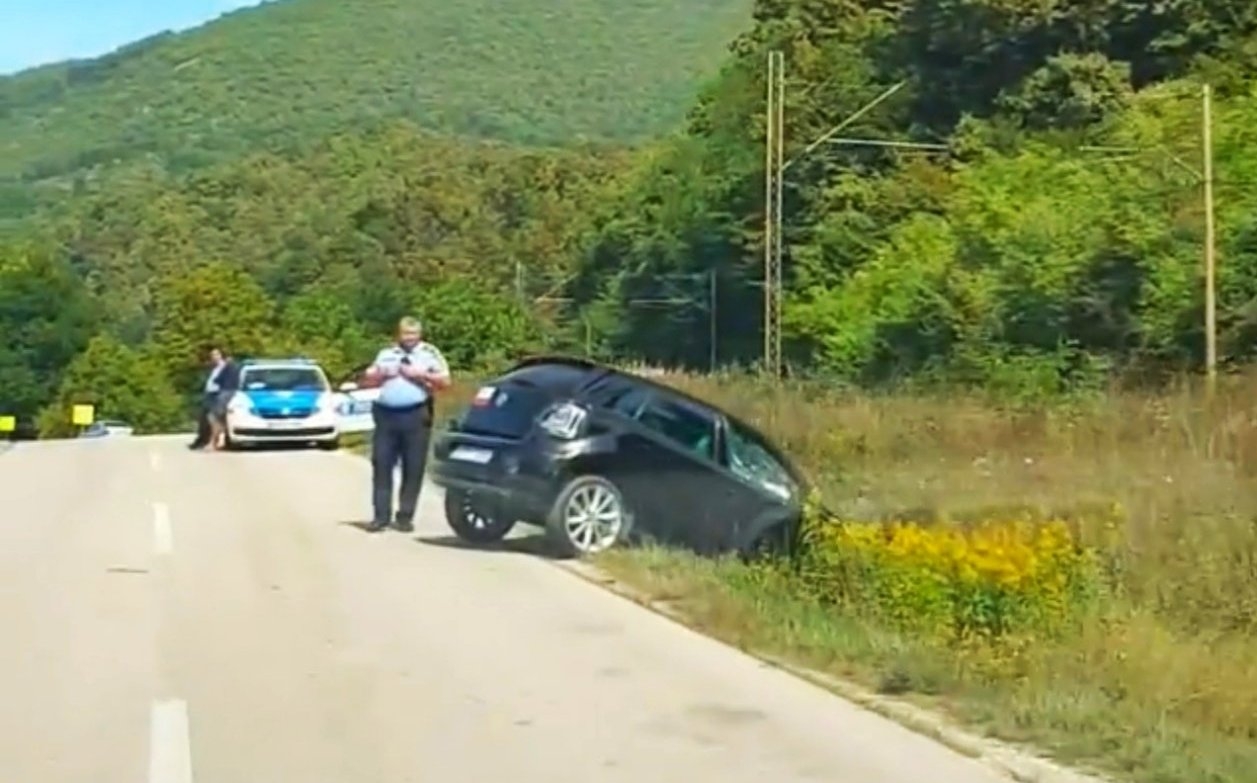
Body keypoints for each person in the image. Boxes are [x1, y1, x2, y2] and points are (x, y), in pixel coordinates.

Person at [363, 316, 451, 532]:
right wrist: (378, 373)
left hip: (415, 415)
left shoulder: (429, 354)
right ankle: (380, 516)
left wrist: (421, 375)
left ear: (420, 335)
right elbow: (368, 378)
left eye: (413, 334)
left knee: (413, 467)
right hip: (386, 415)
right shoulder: (387, 353)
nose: (409, 338)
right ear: (398, 334)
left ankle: (405, 516)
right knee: (381, 465)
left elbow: (446, 382)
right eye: (405, 334)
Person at [189, 348, 227, 451]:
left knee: (214, 419)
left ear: (221, 355)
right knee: (204, 419)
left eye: (216, 355)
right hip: (209, 394)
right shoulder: (214, 368)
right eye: (212, 355)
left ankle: (213, 442)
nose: (214, 357)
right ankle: (202, 440)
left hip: (217, 395)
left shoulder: (224, 368)